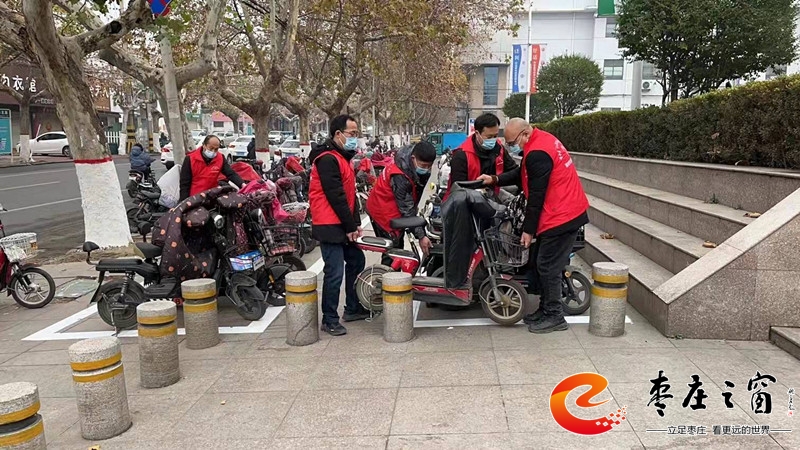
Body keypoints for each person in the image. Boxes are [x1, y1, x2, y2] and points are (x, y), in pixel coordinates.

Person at [507, 117, 589, 334]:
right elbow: (522, 175)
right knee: (541, 263)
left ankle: (555, 316)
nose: (511, 146)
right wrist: (495, 180)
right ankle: (545, 309)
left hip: (561, 215)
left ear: (525, 134)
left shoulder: (537, 153)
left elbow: (536, 196)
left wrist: (528, 230)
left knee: (548, 266)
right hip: (563, 210)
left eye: (512, 142)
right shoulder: (542, 140)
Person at [309, 114, 370, 336]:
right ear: (338, 134)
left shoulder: (343, 157)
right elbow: (336, 196)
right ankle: (329, 319)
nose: (355, 137)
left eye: (356, 134)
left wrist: (355, 223)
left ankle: (352, 308)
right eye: (352, 133)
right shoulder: (327, 159)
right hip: (328, 223)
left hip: (341, 222)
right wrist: (350, 226)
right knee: (334, 272)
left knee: (356, 260)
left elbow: (349, 194)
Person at [366, 142, 435, 263]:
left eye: (429, 166)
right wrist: (421, 236)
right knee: (393, 251)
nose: (426, 169)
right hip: (383, 210)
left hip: (395, 205)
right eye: (423, 166)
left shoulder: (410, 163)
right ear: (413, 158)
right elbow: (406, 209)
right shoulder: (400, 176)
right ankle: (387, 273)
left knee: (399, 247)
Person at [445, 113, 520, 198]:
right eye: (489, 137)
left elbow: (515, 172)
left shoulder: (499, 149)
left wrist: (495, 179)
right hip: (466, 200)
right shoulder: (462, 155)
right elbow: (458, 189)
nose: (493, 140)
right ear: (477, 133)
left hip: (492, 196)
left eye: (495, 136)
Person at [179, 135, 245, 202]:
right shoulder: (190, 159)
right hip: (195, 198)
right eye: (211, 148)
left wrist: (242, 184)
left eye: (216, 149)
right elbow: (184, 184)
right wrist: (184, 202)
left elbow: (230, 173)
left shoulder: (220, 158)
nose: (213, 151)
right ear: (204, 145)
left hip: (212, 196)